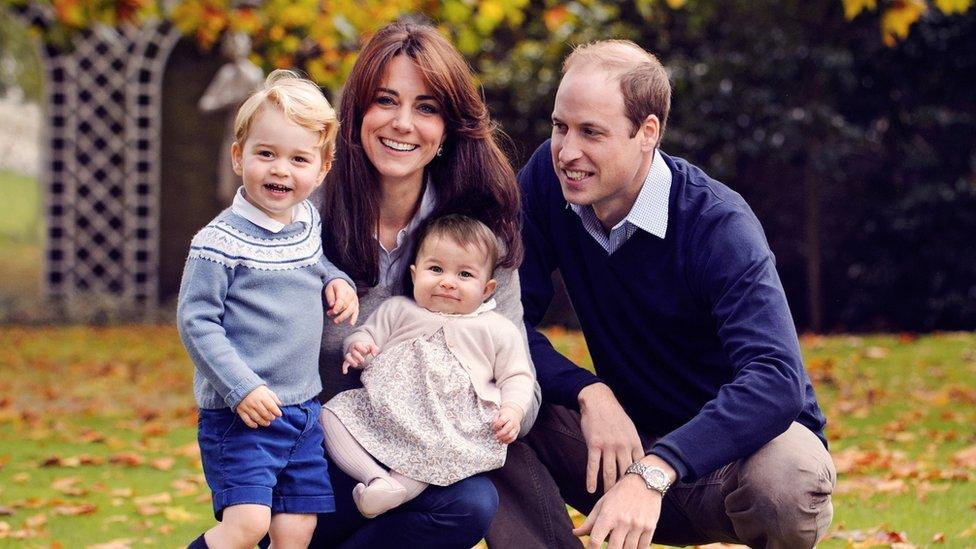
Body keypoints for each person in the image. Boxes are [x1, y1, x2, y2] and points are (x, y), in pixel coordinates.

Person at [486, 40, 836, 549]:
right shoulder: (547, 180)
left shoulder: (717, 223)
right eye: (560, 126)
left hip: (727, 465)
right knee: (478, 392)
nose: (567, 152)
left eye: (592, 133)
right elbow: (499, 320)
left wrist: (660, 466)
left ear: (647, 132)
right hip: (618, 445)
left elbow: (776, 378)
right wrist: (588, 392)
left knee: (789, 480)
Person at [310, 19, 542, 548]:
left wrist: (463, 406)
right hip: (316, 451)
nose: (403, 124)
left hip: (423, 464)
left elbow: (519, 383)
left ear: (448, 129)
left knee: (469, 503)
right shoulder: (309, 215)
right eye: (385, 101)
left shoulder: (480, 237)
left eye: (427, 108)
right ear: (357, 113)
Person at [177, 70, 360, 549]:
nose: (281, 169)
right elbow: (196, 322)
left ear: (321, 170)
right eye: (266, 154)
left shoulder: (306, 222)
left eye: (299, 159)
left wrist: (335, 279)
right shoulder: (217, 243)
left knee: (297, 528)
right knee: (249, 525)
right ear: (239, 157)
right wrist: (241, 387)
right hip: (243, 413)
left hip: (302, 409)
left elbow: (314, 263)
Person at [322, 214, 536, 519]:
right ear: (414, 274)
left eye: (464, 275)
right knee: (330, 416)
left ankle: (395, 489)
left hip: (446, 424)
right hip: (385, 410)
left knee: (434, 452)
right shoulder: (398, 310)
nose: (447, 281)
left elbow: (517, 375)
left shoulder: (496, 329)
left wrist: (512, 410)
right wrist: (358, 348)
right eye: (435, 269)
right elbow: (367, 336)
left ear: (487, 289)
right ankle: (376, 479)